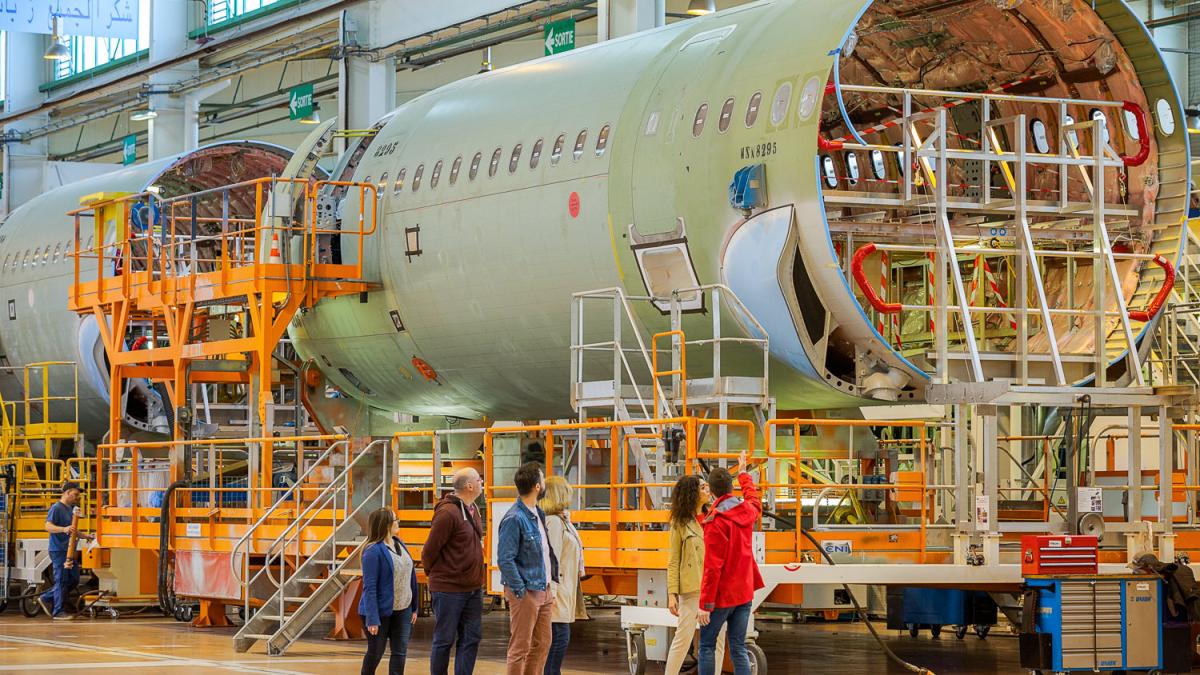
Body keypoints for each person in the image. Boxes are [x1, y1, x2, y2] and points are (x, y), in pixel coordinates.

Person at [697, 451, 763, 675]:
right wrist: (743, 473)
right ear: (731, 486)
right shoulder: (747, 510)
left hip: (722, 597)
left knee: (706, 646)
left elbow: (712, 567)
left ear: (712, 491)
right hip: (744, 594)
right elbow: (754, 499)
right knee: (738, 647)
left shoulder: (715, 523)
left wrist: (705, 604)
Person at [497, 462, 559, 675]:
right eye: (542, 478)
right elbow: (505, 559)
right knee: (520, 647)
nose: (544, 482)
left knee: (543, 643)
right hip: (526, 591)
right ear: (537, 486)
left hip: (544, 589)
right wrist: (521, 591)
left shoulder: (538, 514)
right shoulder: (514, 518)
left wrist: (549, 586)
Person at [424, 467, 486, 675]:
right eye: (479, 479)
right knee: (444, 639)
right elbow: (429, 551)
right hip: (449, 589)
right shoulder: (447, 513)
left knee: (472, 637)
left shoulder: (473, 509)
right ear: (469, 485)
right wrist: (439, 576)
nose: (482, 483)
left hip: (472, 587)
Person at [664, 475, 725, 675]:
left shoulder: (715, 517)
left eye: (707, 486)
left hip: (716, 588)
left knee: (718, 639)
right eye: (702, 487)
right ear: (691, 493)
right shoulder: (680, 523)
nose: (707, 489)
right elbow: (673, 560)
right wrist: (672, 593)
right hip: (691, 589)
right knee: (683, 638)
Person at [358, 507, 418, 675]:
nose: (398, 521)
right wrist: (372, 618)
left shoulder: (399, 543)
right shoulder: (372, 551)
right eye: (395, 519)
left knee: (400, 652)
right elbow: (370, 587)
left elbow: (410, 576)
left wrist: (414, 607)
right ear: (385, 524)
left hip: (403, 609)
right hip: (380, 612)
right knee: (376, 652)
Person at [540, 476, 586, 675]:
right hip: (557, 591)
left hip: (565, 588)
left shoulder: (561, 520)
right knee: (559, 638)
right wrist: (553, 593)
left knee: (559, 638)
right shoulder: (554, 523)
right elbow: (552, 559)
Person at [39, 482, 92, 620]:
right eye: (75, 494)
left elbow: (72, 529)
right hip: (59, 550)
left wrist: (85, 536)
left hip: (68, 551)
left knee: (73, 579)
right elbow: (47, 526)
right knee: (61, 580)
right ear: (67, 492)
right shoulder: (56, 508)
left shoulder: (72, 508)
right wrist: (63, 529)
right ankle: (58, 612)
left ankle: (46, 597)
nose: (77, 498)